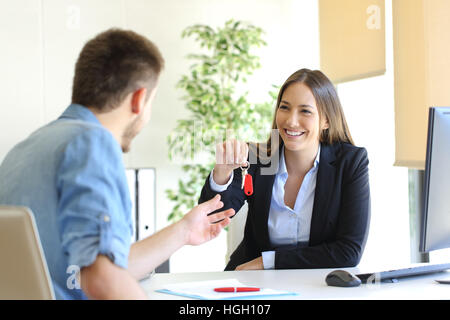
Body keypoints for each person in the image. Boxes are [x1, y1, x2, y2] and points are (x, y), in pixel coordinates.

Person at [0, 29, 234, 300]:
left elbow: (93, 270)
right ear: (138, 99)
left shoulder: (26, 149)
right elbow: (101, 280)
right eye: (151, 102)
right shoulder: (92, 143)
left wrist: (183, 231)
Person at [199, 68, 371, 271]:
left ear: (326, 120)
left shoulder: (350, 163)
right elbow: (211, 219)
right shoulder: (256, 159)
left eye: (305, 111)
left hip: (317, 288)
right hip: (251, 284)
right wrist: (222, 172)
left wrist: (268, 262)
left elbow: (348, 251)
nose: (291, 121)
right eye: (285, 108)